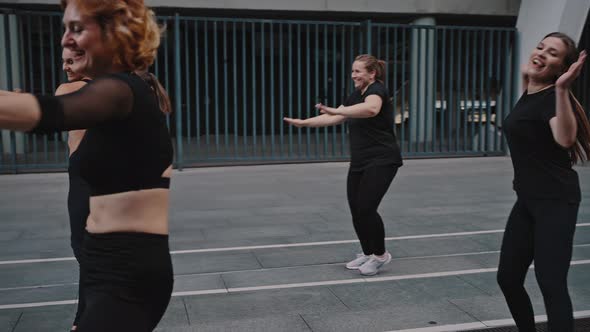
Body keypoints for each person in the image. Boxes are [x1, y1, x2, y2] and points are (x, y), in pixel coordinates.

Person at [0, 0, 174, 331]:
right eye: (66, 28)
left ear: (116, 33)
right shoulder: (111, 93)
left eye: (77, 28)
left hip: (128, 275)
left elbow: (47, 114)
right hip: (100, 265)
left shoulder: (121, 91)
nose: (65, 39)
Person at [497, 32, 590, 332]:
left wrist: (562, 89)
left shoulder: (553, 98)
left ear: (561, 68)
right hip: (527, 200)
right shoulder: (531, 90)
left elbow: (565, 138)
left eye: (552, 53)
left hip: (556, 201)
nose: (541, 54)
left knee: (551, 283)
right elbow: (529, 73)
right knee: (508, 279)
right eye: (541, 47)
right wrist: (530, 72)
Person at [284, 54, 403, 276]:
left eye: (358, 71)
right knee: (356, 210)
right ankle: (368, 253)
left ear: (372, 73)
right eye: (352, 71)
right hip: (360, 160)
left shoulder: (377, 90)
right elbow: (333, 118)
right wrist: (304, 123)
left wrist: (337, 110)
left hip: (383, 159)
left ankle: (380, 255)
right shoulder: (355, 95)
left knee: (367, 207)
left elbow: (370, 110)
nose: (353, 75)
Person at [57, 47, 92, 332]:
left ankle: (83, 321)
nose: (66, 67)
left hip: (85, 181)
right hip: (99, 180)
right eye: (64, 62)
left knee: (84, 250)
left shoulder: (71, 89)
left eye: (72, 60)